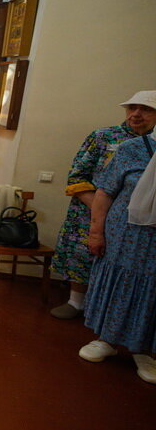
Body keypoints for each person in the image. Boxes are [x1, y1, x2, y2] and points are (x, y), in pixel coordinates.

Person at [50, 92, 156, 319]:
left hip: (137, 220)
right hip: (89, 210)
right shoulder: (104, 137)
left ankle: (108, 312)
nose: (136, 114)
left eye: (145, 109)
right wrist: (102, 208)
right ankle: (75, 302)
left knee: (121, 264)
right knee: (82, 254)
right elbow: (77, 176)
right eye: (132, 108)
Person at [78, 115, 156, 384]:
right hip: (127, 236)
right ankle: (106, 339)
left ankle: (144, 350)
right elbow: (104, 193)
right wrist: (96, 232)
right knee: (121, 285)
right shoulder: (131, 149)